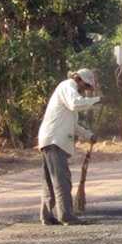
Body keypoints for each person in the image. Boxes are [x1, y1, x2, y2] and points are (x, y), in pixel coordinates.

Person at [38, 68, 100, 226]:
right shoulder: (68, 86)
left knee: (50, 181)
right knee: (61, 180)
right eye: (85, 86)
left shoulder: (68, 90)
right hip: (55, 141)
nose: (84, 89)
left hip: (51, 139)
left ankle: (47, 215)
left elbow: (72, 124)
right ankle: (66, 215)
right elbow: (75, 104)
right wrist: (96, 100)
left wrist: (88, 135)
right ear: (79, 79)